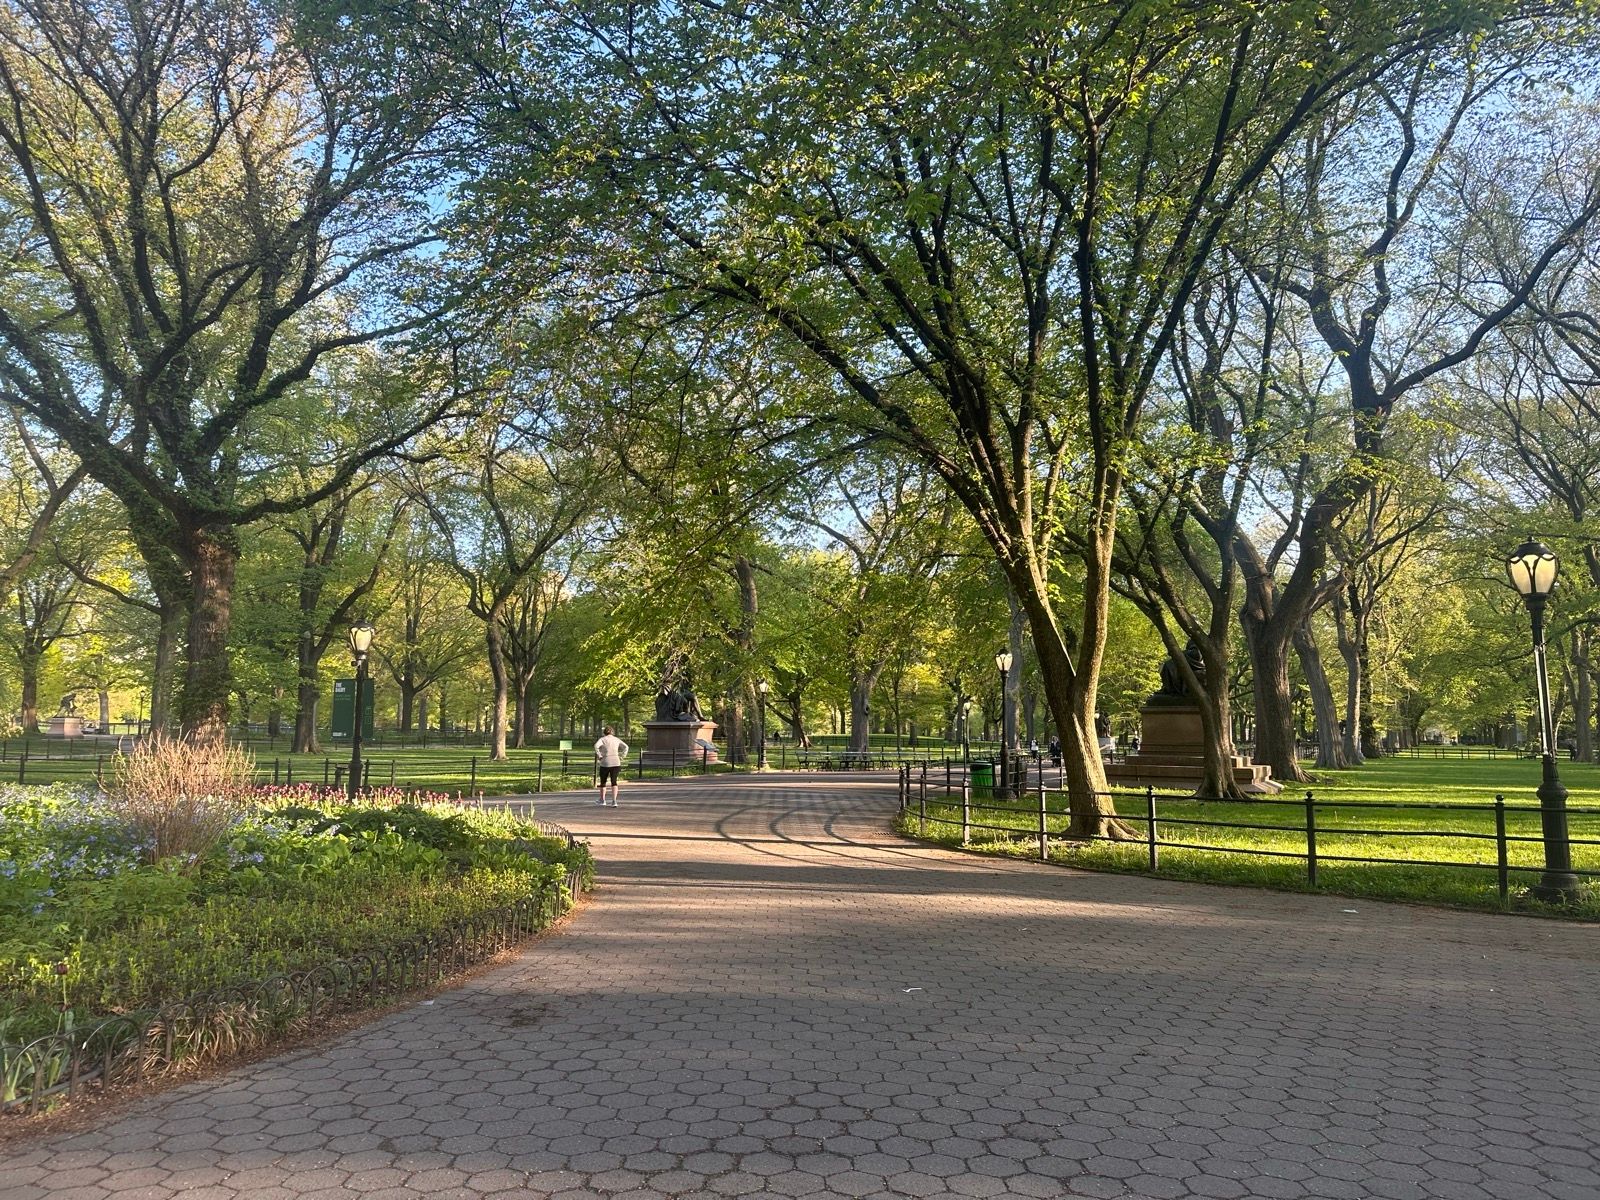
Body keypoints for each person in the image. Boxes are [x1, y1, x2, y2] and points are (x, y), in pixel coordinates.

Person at [594, 725, 629, 806]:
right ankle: (614, 801)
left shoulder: (602, 739)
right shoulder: (616, 739)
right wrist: (622, 756)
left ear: (604, 732)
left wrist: (599, 755)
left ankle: (602, 800)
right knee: (614, 782)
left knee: (603, 782)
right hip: (616, 762)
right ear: (612, 732)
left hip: (605, 762)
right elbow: (626, 747)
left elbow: (596, 746)